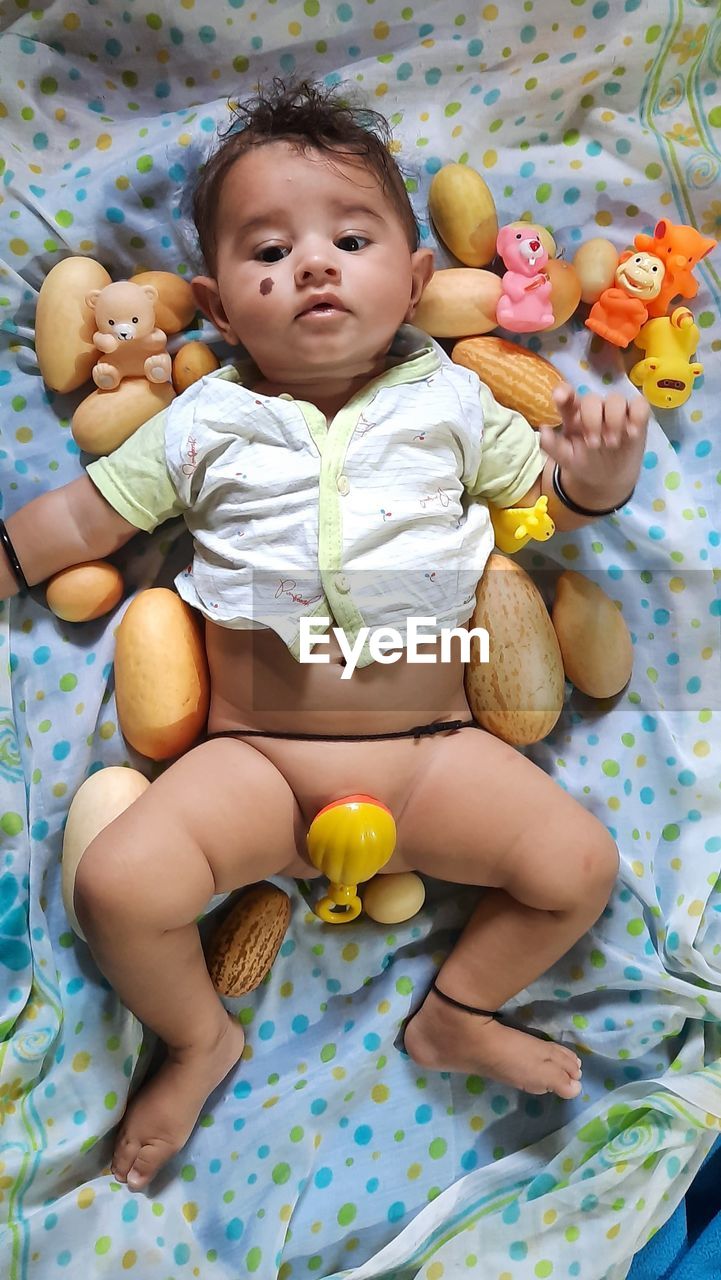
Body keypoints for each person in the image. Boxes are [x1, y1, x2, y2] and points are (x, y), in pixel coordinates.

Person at [0, 77, 649, 1193]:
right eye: (266, 252)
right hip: (252, 764)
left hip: (434, 754)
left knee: (577, 866)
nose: (309, 264)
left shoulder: (450, 400)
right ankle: (203, 1036)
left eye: (349, 237)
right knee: (120, 887)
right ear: (213, 301)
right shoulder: (202, 424)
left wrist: (594, 484)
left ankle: (455, 1009)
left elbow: (527, 516)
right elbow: (80, 515)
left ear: (413, 279)